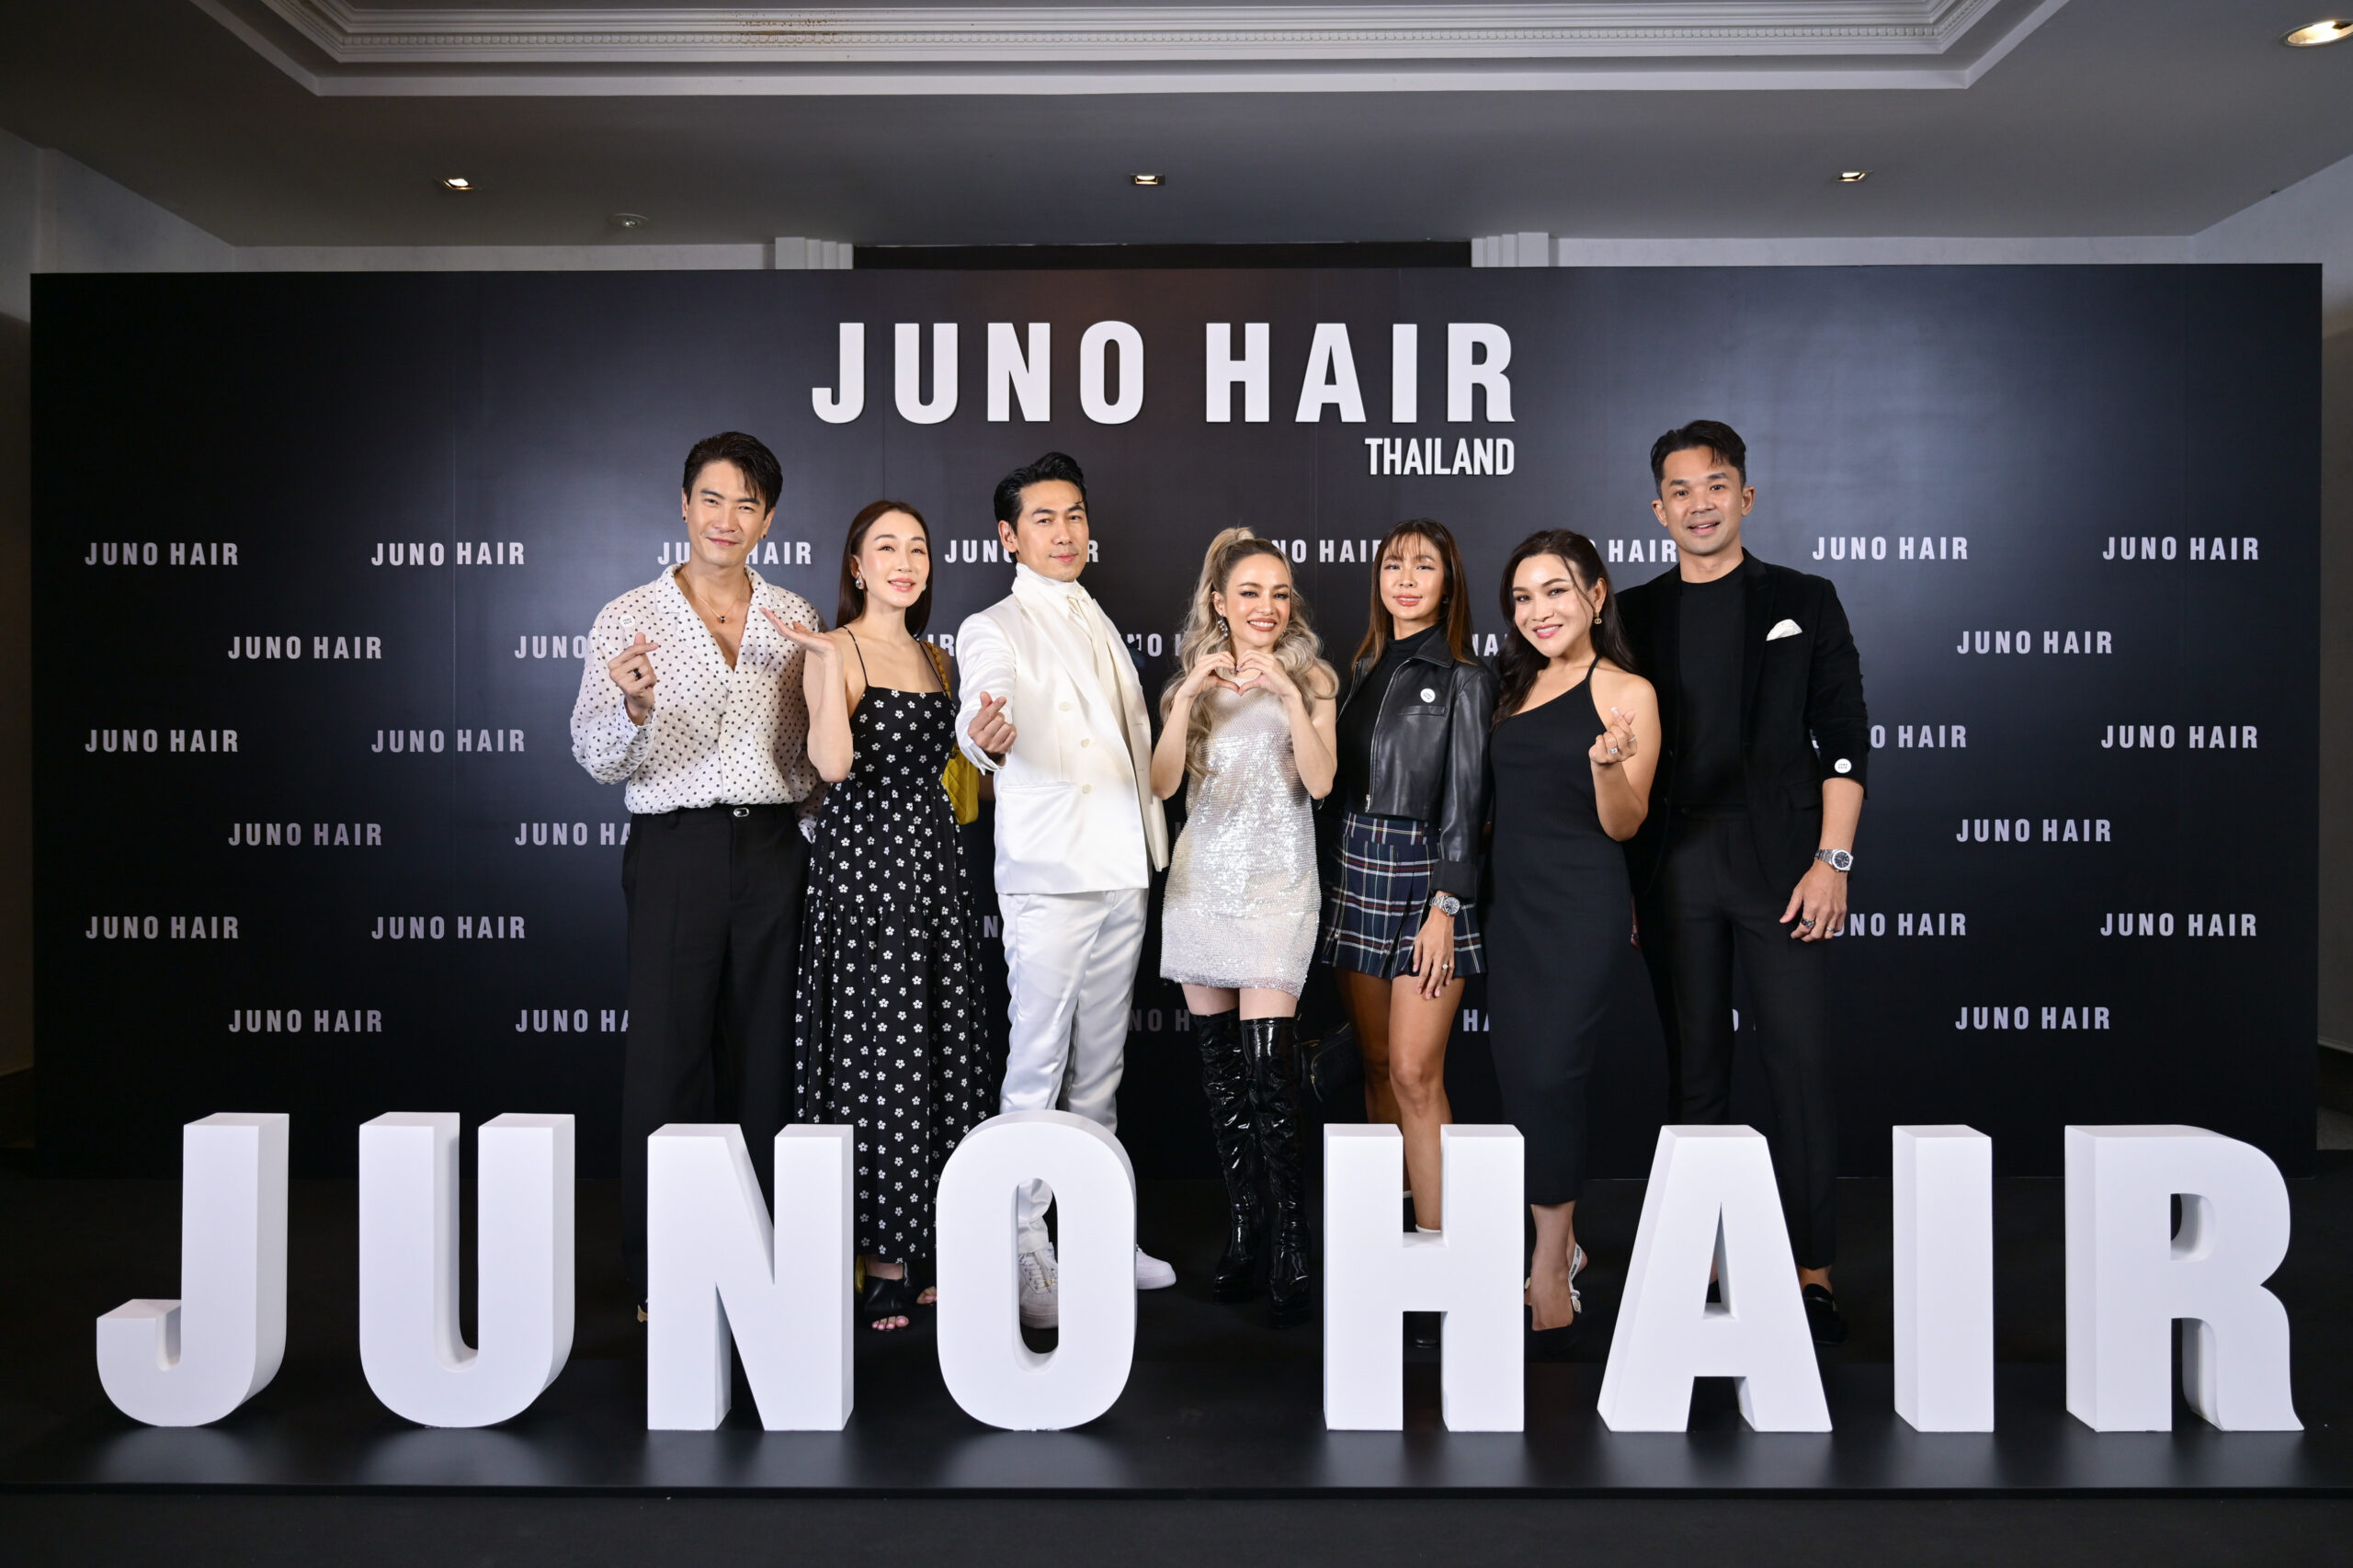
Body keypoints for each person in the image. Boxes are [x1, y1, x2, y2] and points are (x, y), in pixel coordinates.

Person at [1616, 420, 1870, 1346]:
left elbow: (1844, 736)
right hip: (1673, 866)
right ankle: (1705, 1260)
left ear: (1746, 497)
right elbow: (1614, 752)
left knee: (1798, 1067)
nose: (1700, 504)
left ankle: (1812, 1271)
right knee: (1695, 1073)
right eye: (1680, 490)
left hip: (1784, 868)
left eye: (1715, 485)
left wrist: (1832, 861)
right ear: (1659, 510)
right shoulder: (1631, 615)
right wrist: (1627, 886)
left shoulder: (1806, 598)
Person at [570, 431, 820, 1318]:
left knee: (766, 1062)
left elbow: (808, 756)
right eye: (712, 499)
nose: (727, 519)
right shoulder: (628, 617)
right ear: (684, 505)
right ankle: (662, 1277)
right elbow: (596, 755)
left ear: (769, 519)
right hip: (676, 849)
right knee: (666, 1064)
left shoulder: (792, 617)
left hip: (773, 850)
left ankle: (762, 1271)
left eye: (747, 504)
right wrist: (633, 706)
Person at [954, 451, 1176, 1329]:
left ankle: (1098, 1233)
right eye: (1043, 518)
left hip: (1122, 867)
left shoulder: (1096, 614)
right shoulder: (993, 625)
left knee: (1101, 1073)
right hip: (1052, 875)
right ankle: (1021, 1240)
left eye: (1074, 514)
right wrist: (983, 736)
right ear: (1008, 537)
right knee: (1036, 1066)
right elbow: (986, 707)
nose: (1064, 531)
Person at [770, 500, 995, 1334]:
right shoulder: (837, 648)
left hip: (933, 864)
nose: (904, 562)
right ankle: (884, 1259)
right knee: (879, 1052)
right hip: (865, 870)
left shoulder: (938, 657)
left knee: (940, 1043)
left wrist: (991, 744)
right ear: (857, 566)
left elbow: (962, 772)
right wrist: (831, 666)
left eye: (918, 549)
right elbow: (831, 763)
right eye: (886, 548)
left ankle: (934, 1240)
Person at [1151, 528, 1337, 1326]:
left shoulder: (1313, 678)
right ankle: (1246, 1228)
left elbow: (1320, 783)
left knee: (1270, 1076)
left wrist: (1290, 696)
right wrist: (1187, 697)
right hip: (1201, 889)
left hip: (1279, 889)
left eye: (1280, 593)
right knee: (1222, 1081)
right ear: (1219, 602)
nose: (1267, 607)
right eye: (1250, 593)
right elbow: (1161, 784)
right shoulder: (1189, 687)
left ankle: (1293, 1237)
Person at [1483, 530, 1660, 1351]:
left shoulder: (1626, 692)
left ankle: (1551, 1263)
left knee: (1553, 1072)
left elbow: (1625, 823)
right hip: (1510, 907)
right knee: (1524, 1079)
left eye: (1555, 591)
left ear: (1595, 595)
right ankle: (1565, 1242)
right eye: (1523, 598)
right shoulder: (1510, 685)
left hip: (1582, 905)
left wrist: (1604, 766)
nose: (1538, 611)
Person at [1318, 520, 1495, 1235]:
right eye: (1394, 565)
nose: (1407, 579)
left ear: (1448, 584)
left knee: (1415, 1073)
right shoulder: (1362, 669)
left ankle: (1440, 1241)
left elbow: (1468, 803)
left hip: (1427, 877)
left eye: (1424, 566)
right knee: (1375, 1062)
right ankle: (1390, 1238)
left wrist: (1446, 906)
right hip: (1355, 867)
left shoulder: (1465, 679)